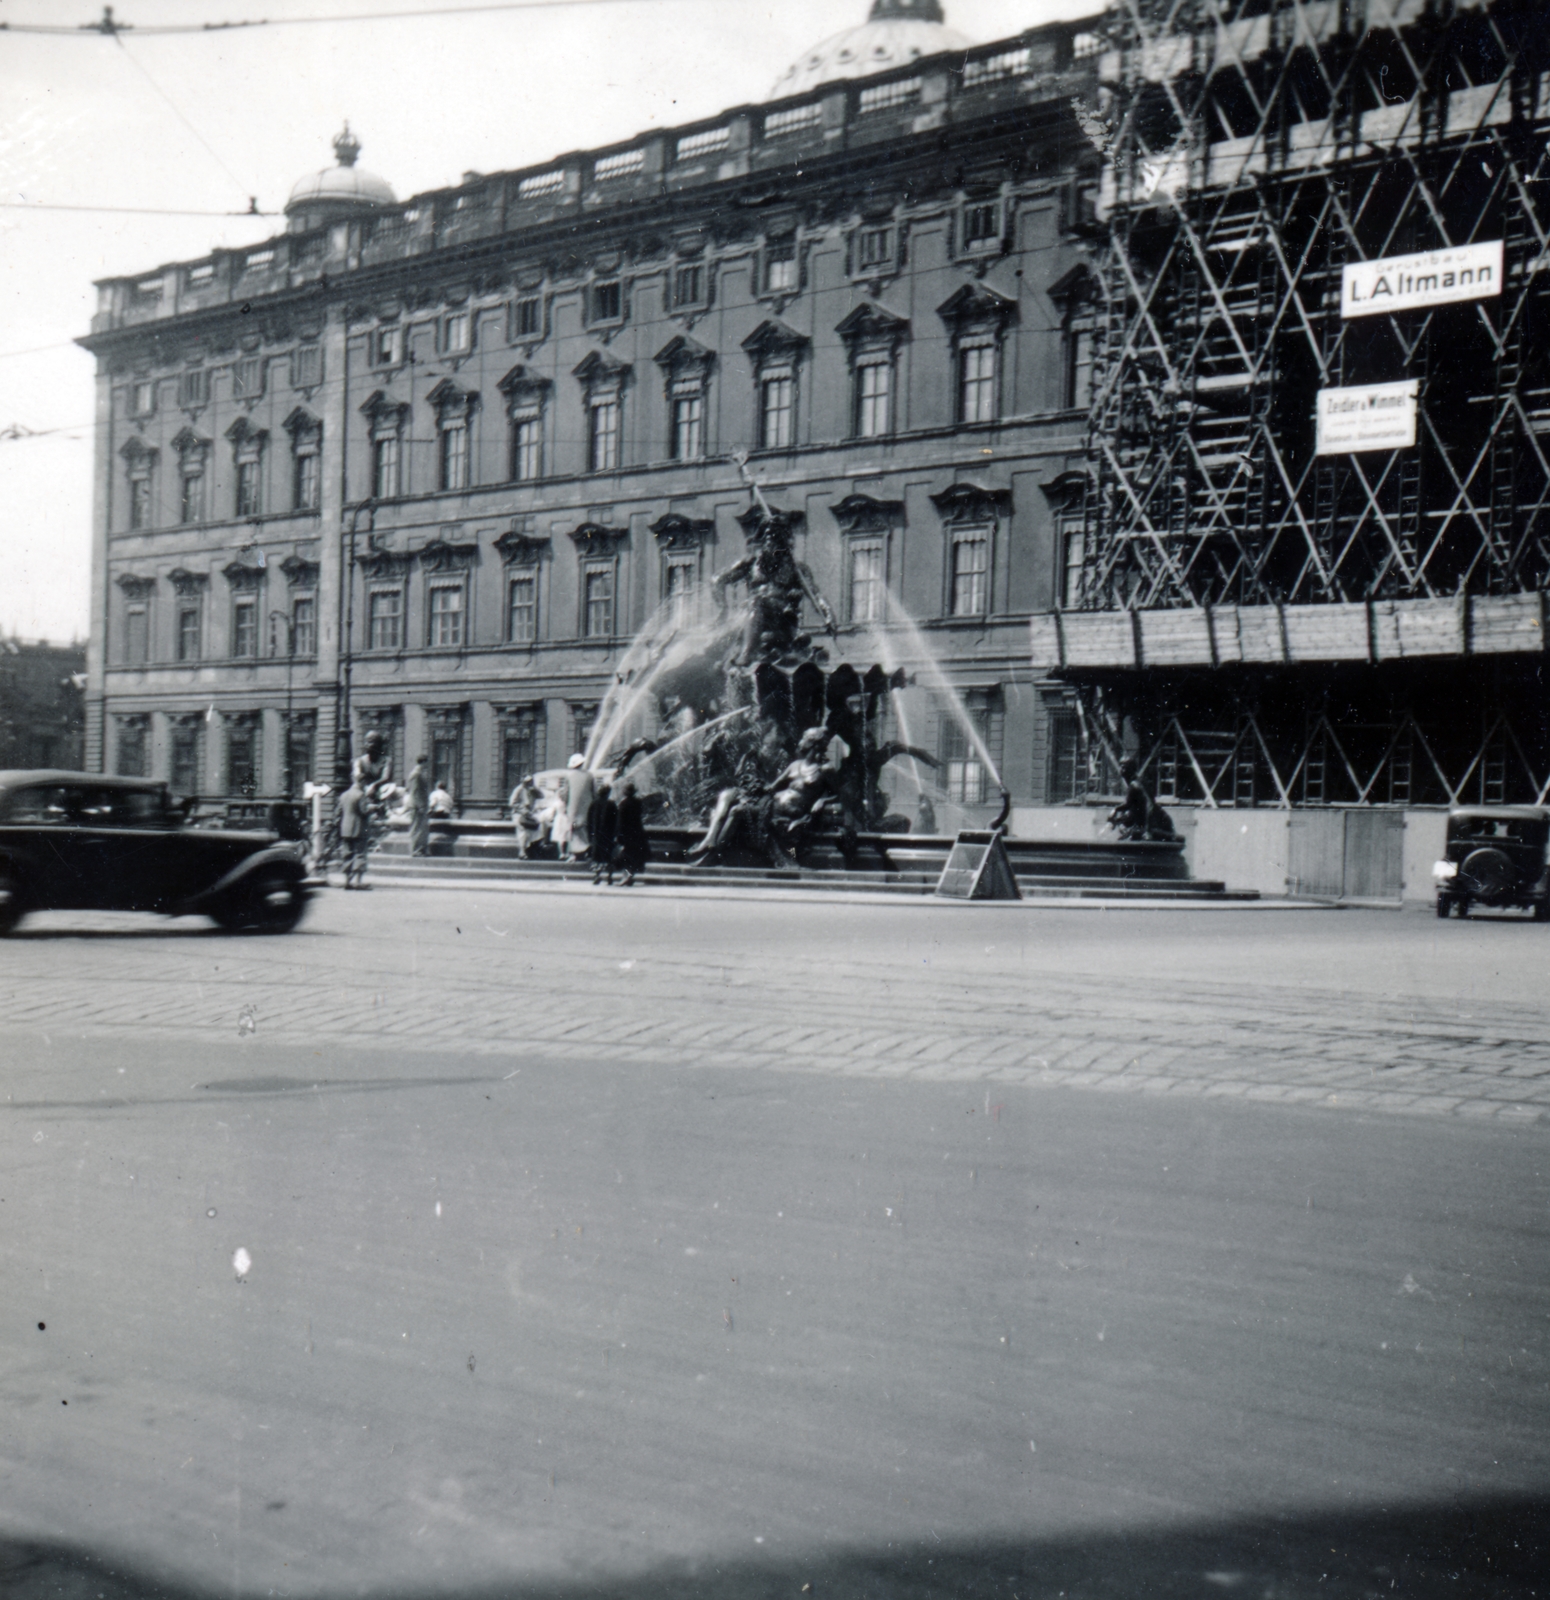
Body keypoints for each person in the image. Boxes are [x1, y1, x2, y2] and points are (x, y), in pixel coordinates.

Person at [615, 779, 650, 886]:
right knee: (634, 855)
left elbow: (620, 822)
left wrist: (618, 835)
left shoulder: (623, 804)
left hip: (626, 834)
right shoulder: (638, 803)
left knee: (626, 856)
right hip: (637, 832)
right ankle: (630, 875)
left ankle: (626, 876)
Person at [338, 780, 370, 890]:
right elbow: (364, 811)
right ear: (362, 783)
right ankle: (358, 882)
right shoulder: (361, 795)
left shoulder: (344, 795)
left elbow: (339, 811)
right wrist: (372, 808)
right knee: (360, 854)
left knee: (347, 854)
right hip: (358, 828)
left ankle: (347, 881)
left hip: (345, 829)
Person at [564, 752, 595, 862]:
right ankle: (586, 851)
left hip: (572, 808)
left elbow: (565, 793)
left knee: (573, 830)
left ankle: (573, 854)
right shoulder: (589, 775)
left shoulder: (569, 775)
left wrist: (564, 804)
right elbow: (593, 792)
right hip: (587, 807)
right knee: (585, 829)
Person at [587, 781, 619, 885]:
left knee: (597, 857)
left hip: (597, 835)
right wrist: (616, 834)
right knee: (608, 857)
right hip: (608, 835)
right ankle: (609, 877)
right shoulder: (611, 804)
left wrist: (590, 834)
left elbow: (589, 820)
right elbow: (616, 820)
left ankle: (597, 875)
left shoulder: (594, 804)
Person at [508, 773, 541, 859]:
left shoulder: (531, 790)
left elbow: (541, 796)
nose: (529, 783)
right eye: (527, 781)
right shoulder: (518, 789)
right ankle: (522, 851)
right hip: (518, 814)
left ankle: (532, 849)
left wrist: (535, 789)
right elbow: (512, 803)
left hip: (529, 814)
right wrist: (523, 810)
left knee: (540, 825)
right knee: (522, 830)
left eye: (530, 781)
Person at [405, 754, 430, 857]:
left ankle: (420, 849)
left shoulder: (418, 773)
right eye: (427, 762)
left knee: (421, 828)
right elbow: (415, 791)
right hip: (417, 806)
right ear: (423, 762)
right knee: (417, 828)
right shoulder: (417, 774)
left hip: (419, 805)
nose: (428, 764)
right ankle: (415, 850)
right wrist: (420, 805)